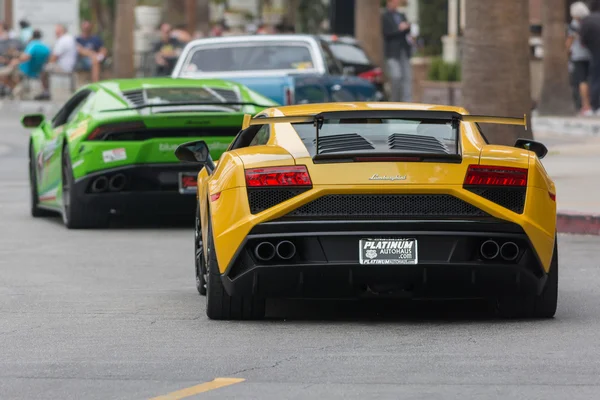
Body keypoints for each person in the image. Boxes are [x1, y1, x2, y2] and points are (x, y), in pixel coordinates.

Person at [0, 29, 50, 95]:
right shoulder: (46, 47)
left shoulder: (33, 45)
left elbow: (26, 57)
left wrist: (15, 61)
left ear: (32, 36)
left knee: (3, 73)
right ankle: (15, 88)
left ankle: (15, 88)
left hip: (25, 70)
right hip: (37, 71)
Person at [381, 0, 413, 102]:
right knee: (396, 77)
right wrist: (399, 29)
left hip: (404, 51)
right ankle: (395, 101)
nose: (396, 3)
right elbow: (386, 33)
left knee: (407, 78)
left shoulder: (401, 15)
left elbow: (407, 31)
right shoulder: (384, 16)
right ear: (389, 2)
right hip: (392, 52)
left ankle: (407, 103)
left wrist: (407, 27)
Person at [36, 24, 78, 100]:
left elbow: (54, 57)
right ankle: (46, 92)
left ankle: (46, 92)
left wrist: (47, 63)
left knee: (43, 69)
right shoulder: (70, 38)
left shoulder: (62, 40)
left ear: (61, 30)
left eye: (56, 30)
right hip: (70, 66)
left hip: (64, 67)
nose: (55, 32)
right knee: (46, 67)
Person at [567, 2, 593, 116]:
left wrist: (565, 50)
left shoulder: (574, 25)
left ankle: (585, 105)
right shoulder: (588, 23)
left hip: (578, 56)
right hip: (590, 54)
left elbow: (569, 41)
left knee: (582, 81)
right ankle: (591, 105)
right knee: (590, 80)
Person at [580, 0, 600, 115]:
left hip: (594, 52)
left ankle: (595, 105)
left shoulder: (586, 21)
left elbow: (582, 40)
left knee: (595, 79)